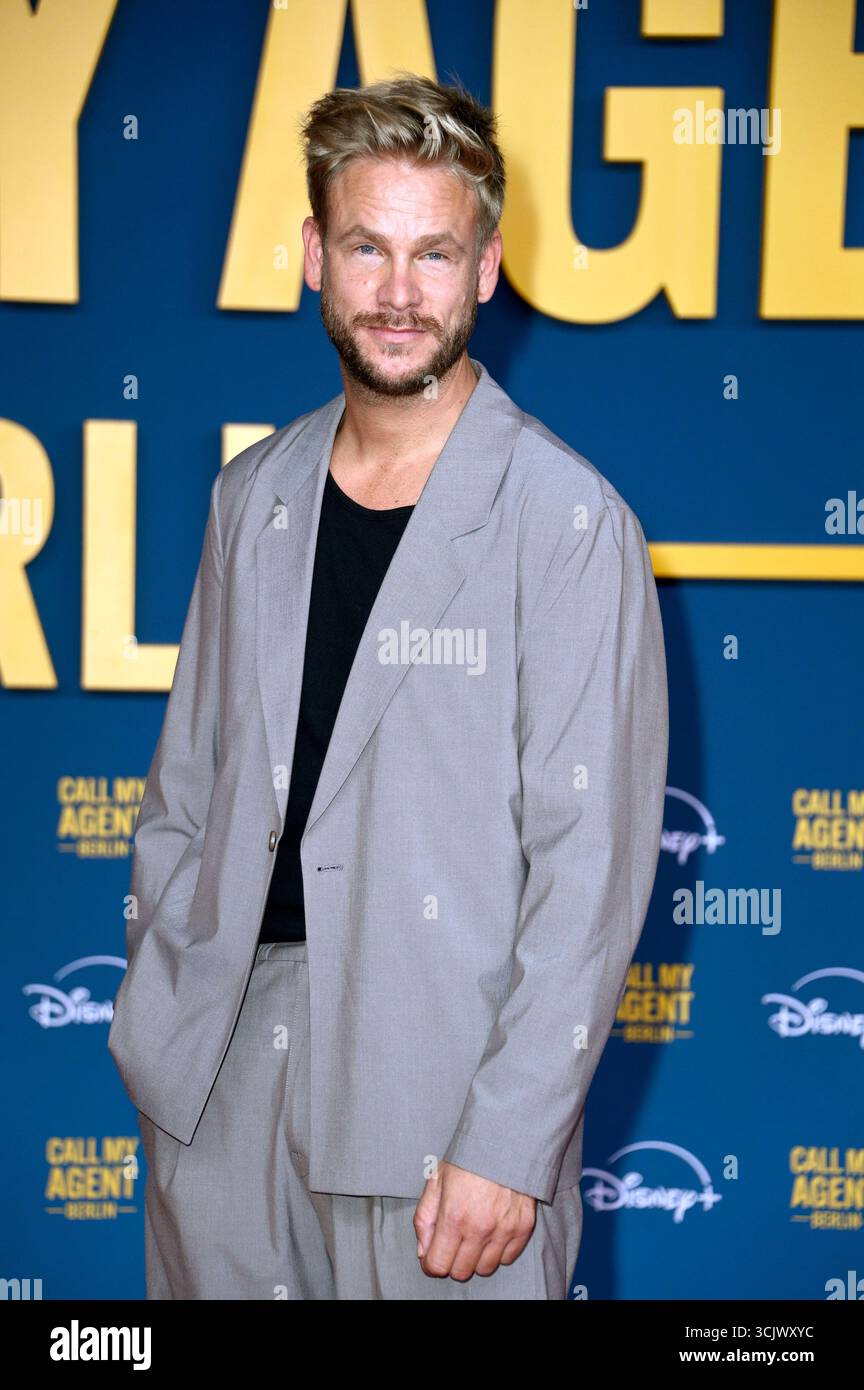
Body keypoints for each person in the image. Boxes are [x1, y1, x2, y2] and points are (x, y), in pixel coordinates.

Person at [107, 72, 669, 1301]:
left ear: (487, 268)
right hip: (219, 1091)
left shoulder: (569, 523)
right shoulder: (251, 495)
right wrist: (159, 1022)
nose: (400, 291)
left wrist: (510, 1141)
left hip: (445, 1111)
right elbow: (184, 795)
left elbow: (592, 869)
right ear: (315, 255)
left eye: (434, 252)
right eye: (368, 246)